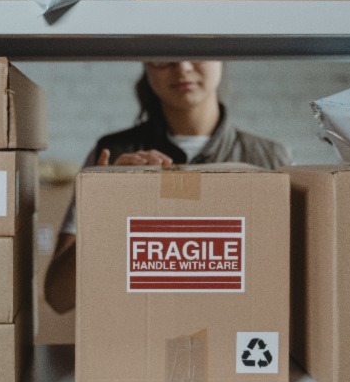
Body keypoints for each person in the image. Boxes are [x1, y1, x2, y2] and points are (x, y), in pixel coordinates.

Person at [44, 61, 291, 313]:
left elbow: (292, 288)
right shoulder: (112, 154)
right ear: (145, 63)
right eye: (164, 53)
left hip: (236, 339)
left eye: (196, 51)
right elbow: (58, 297)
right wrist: (107, 207)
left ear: (221, 56)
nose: (182, 66)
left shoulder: (270, 160)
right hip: (137, 341)